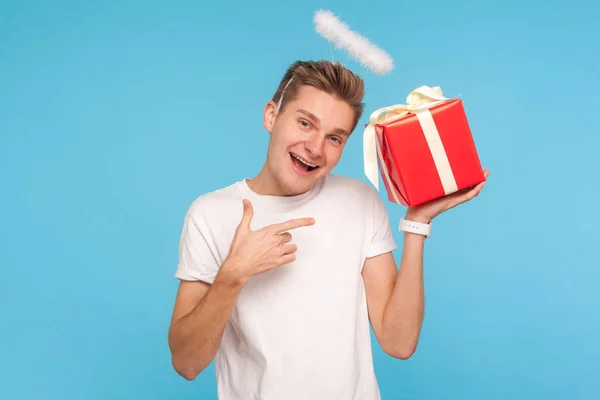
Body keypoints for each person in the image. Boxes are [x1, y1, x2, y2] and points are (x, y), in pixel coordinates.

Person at [167, 60, 489, 399]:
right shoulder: (210, 213)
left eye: (334, 138)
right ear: (271, 116)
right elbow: (186, 363)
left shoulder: (360, 201)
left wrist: (417, 223)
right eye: (305, 123)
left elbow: (399, 342)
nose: (315, 148)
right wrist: (232, 275)